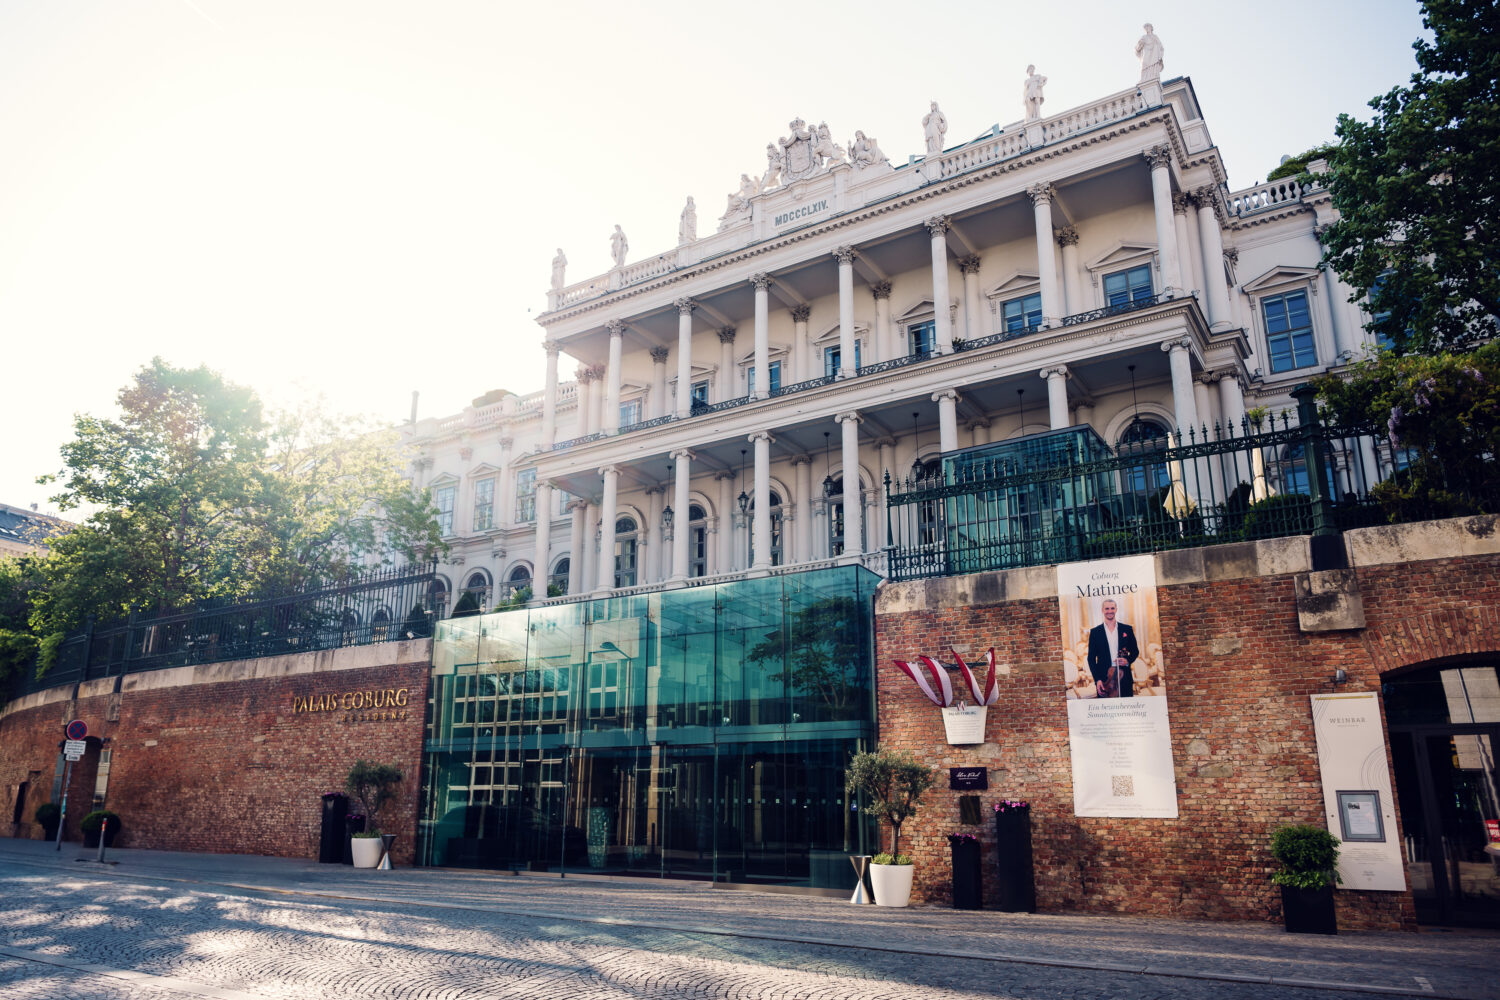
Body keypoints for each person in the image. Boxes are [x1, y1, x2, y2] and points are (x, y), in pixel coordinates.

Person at [1086, 599, 1140, 698]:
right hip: (1104, 680)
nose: (1110, 611)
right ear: (1102, 610)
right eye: (1107, 608)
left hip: (1124, 677)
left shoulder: (1127, 629)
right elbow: (1091, 659)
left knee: (1127, 706)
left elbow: (1135, 651)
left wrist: (1127, 661)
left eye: (1112, 608)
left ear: (1116, 609)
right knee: (1105, 707)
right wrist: (1097, 680)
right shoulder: (1095, 632)